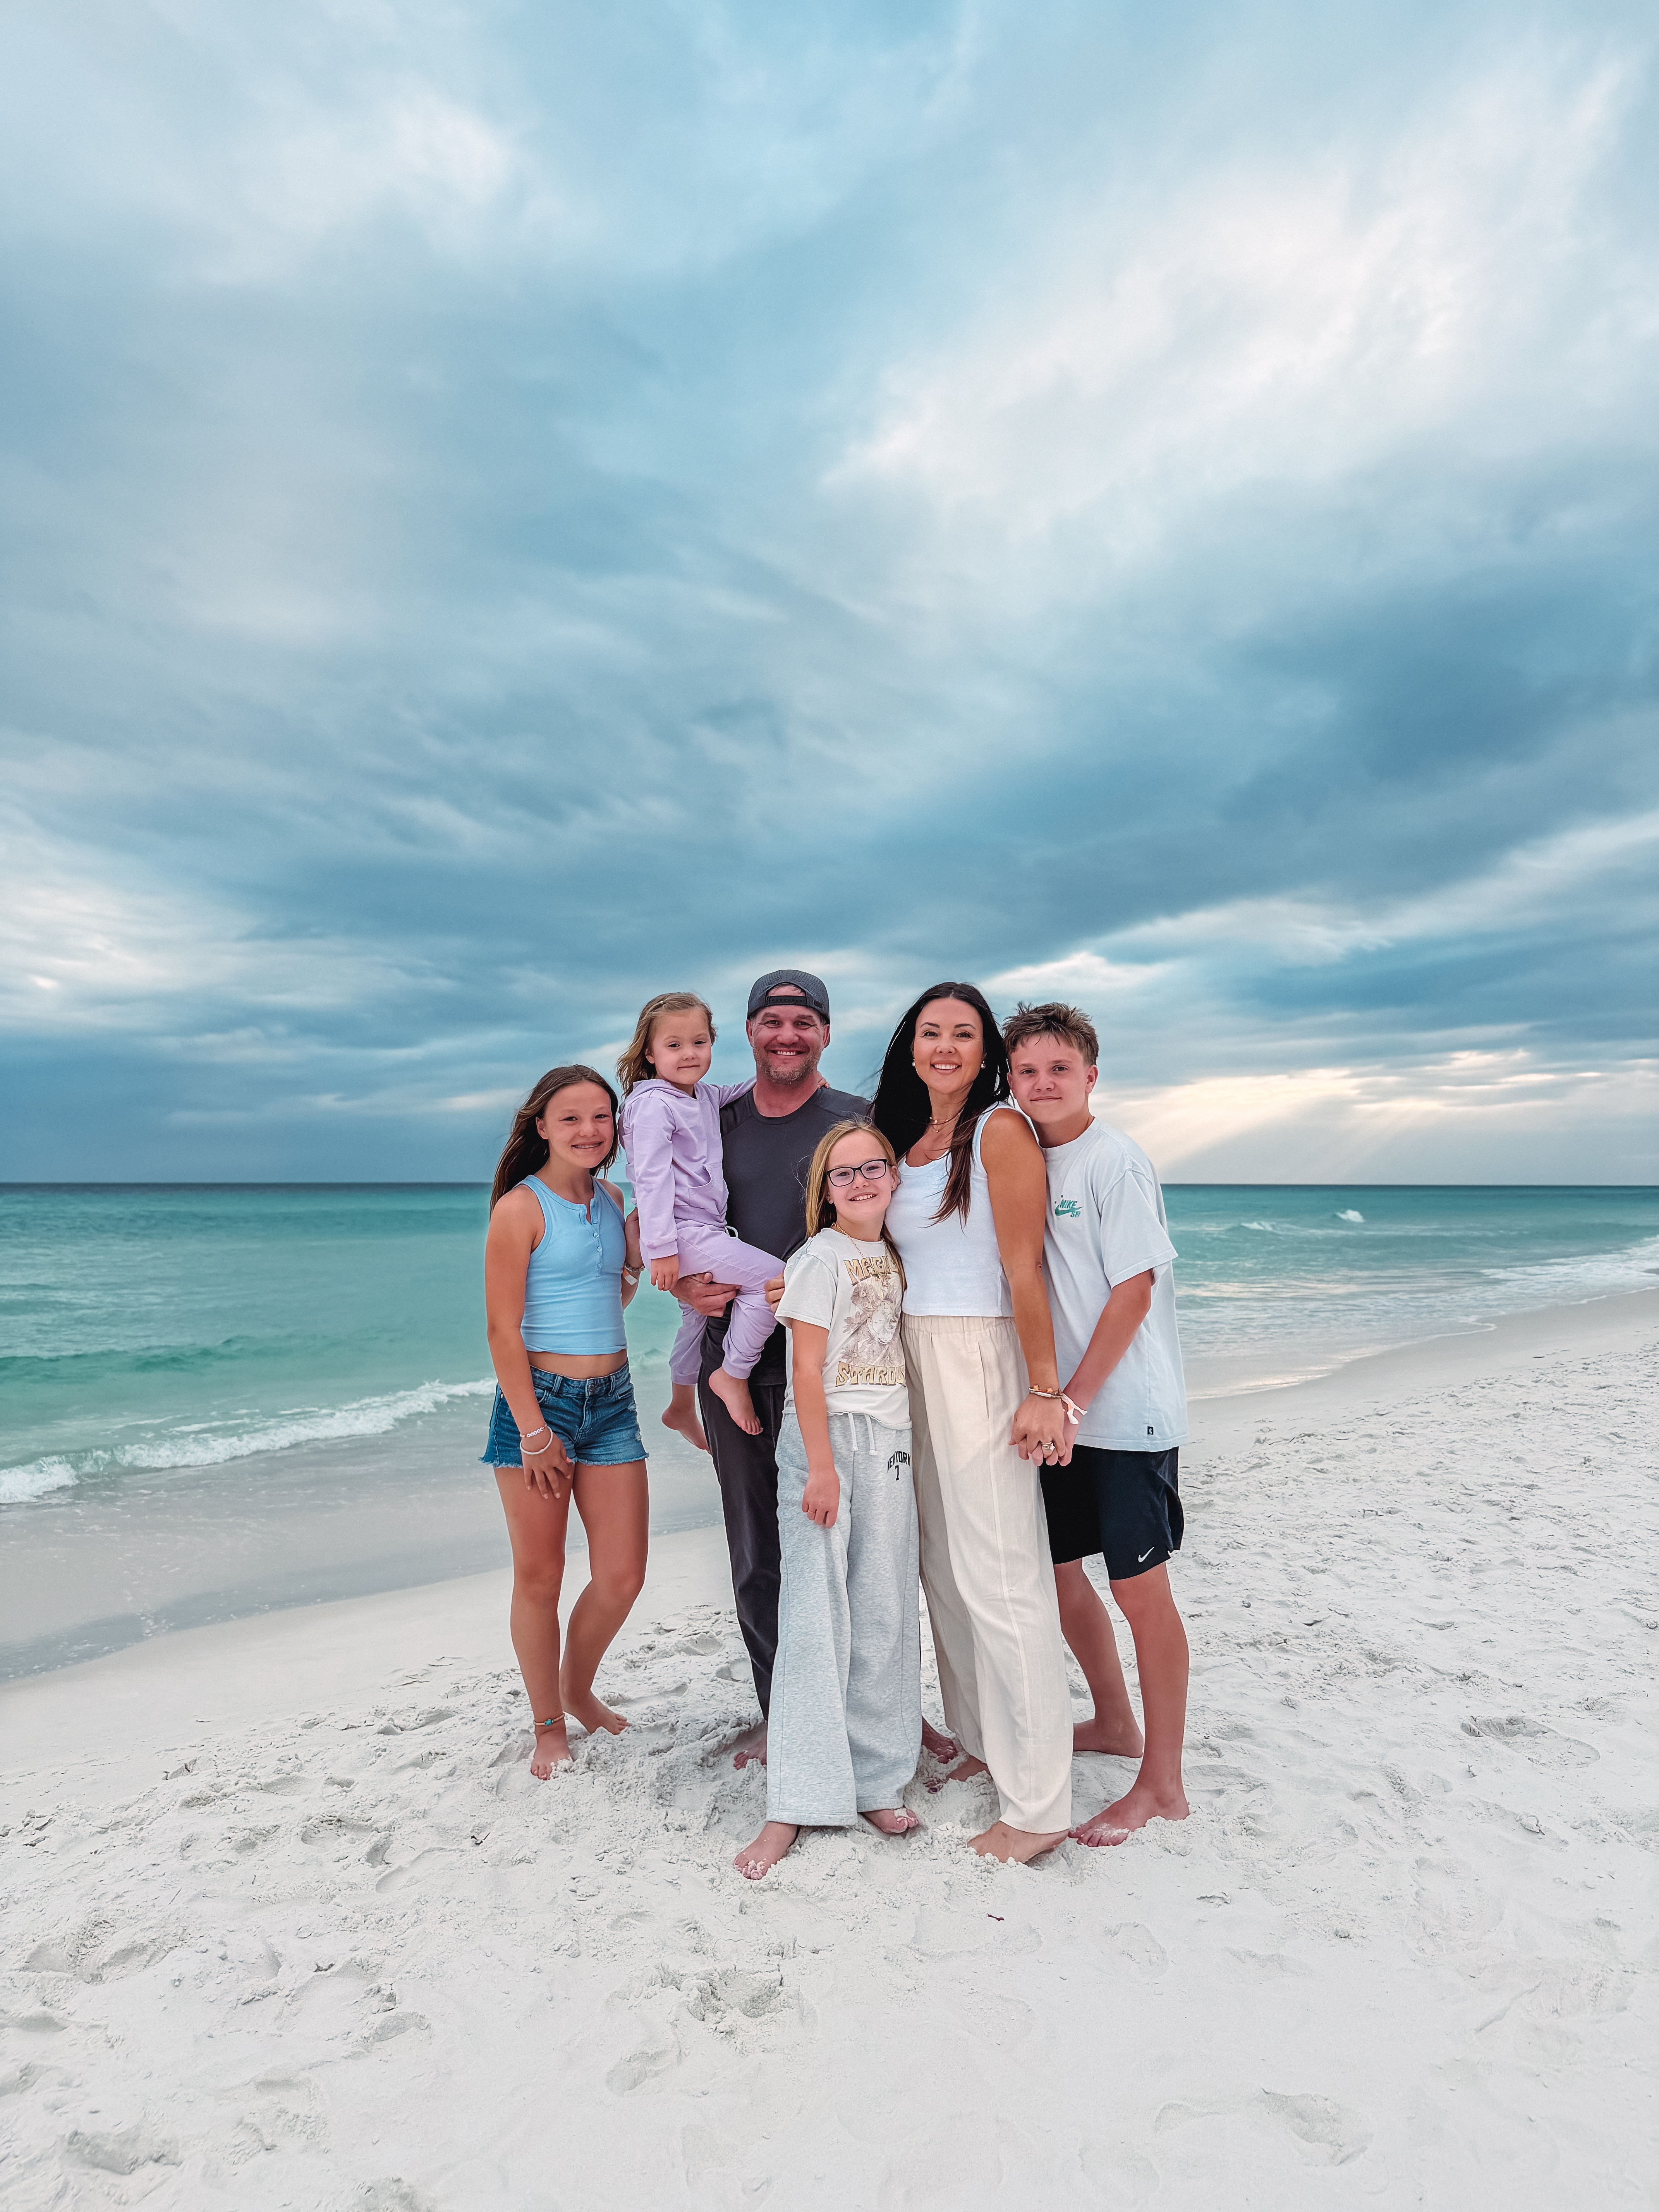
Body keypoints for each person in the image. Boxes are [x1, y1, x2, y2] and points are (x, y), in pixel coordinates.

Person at [673, 969, 953, 1772]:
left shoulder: (859, 1123)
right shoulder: (711, 1118)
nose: (787, 1034)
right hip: (738, 1359)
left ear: (826, 1033)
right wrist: (677, 1279)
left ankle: (887, 1717)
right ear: (750, 1033)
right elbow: (661, 1218)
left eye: (804, 1021)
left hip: (845, 1376)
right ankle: (782, 1711)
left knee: (868, 1552)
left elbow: (901, 1233)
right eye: (771, 1021)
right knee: (759, 1548)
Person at [874, 983, 1076, 1863]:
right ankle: (985, 1745)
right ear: (910, 1046)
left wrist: (1044, 1390)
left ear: (985, 1049)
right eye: (932, 1032)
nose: (946, 1045)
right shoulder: (903, 1140)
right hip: (909, 1356)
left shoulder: (999, 1130)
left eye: (964, 1033)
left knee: (1001, 1576)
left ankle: (1039, 1807)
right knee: (944, 1572)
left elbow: (1024, 1270)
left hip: (981, 1358)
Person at [1005, 1001, 1190, 1840]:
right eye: (1027, 1071)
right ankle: (1113, 1723)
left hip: (1125, 1416)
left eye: (1059, 1070)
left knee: (1137, 1591)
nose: (1043, 1084)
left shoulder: (1114, 1162)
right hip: (1064, 1414)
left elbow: (1134, 1291)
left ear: (1091, 1076)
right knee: (1057, 1573)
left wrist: (1071, 1400)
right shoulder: (1025, 1158)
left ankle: (1163, 1782)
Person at [734, 1120, 924, 1879]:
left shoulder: (893, 1254)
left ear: (892, 1177)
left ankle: (877, 1778)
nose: (860, 1183)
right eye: (842, 1175)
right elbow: (805, 1371)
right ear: (825, 1190)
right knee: (818, 1620)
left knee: (882, 1610)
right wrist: (819, 1467)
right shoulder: (816, 1259)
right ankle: (796, 1800)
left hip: (893, 1443)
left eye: (872, 1168)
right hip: (829, 1442)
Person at [481, 1065, 649, 1778]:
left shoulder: (613, 1198)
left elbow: (614, 1288)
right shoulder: (520, 1208)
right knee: (540, 1576)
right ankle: (547, 1722)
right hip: (538, 1410)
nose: (588, 1130)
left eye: (600, 1117)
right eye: (571, 1117)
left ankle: (578, 1687)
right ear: (540, 1126)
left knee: (621, 1575)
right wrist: (534, 1432)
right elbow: (500, 1329)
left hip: (611, 1401)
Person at [616, 991, 776, 1443]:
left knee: (697, 1318)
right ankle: (733, 1374)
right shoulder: (651, 1106)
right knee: (772, 1283)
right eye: (674, 1045)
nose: (689, 1054)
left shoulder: (702, 1096)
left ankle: (681, 1405)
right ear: (650, 1053)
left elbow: (738, 1090)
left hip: (704, 1229)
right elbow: (650, 1182)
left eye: (700, 1042)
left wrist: (797, 1078)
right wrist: (660, 1251)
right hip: (680, 1232)